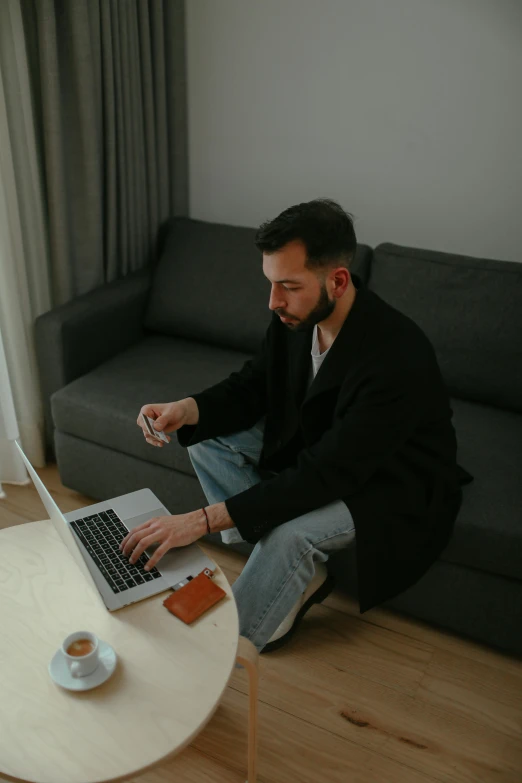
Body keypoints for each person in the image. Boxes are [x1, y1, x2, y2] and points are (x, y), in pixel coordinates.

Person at [121, 198, 472, 654]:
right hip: (326, 446)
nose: (273, 301)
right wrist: (187, 409)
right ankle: (279, 569)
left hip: (388, 480)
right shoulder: (295, 316)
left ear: (338, 280)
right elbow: (254, 385)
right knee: (206, 444)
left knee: (292, 534)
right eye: (270, 284)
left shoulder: (396, 357)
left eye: (288, 286)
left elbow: (329, 473)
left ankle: (221, 651)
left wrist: (200, 521)